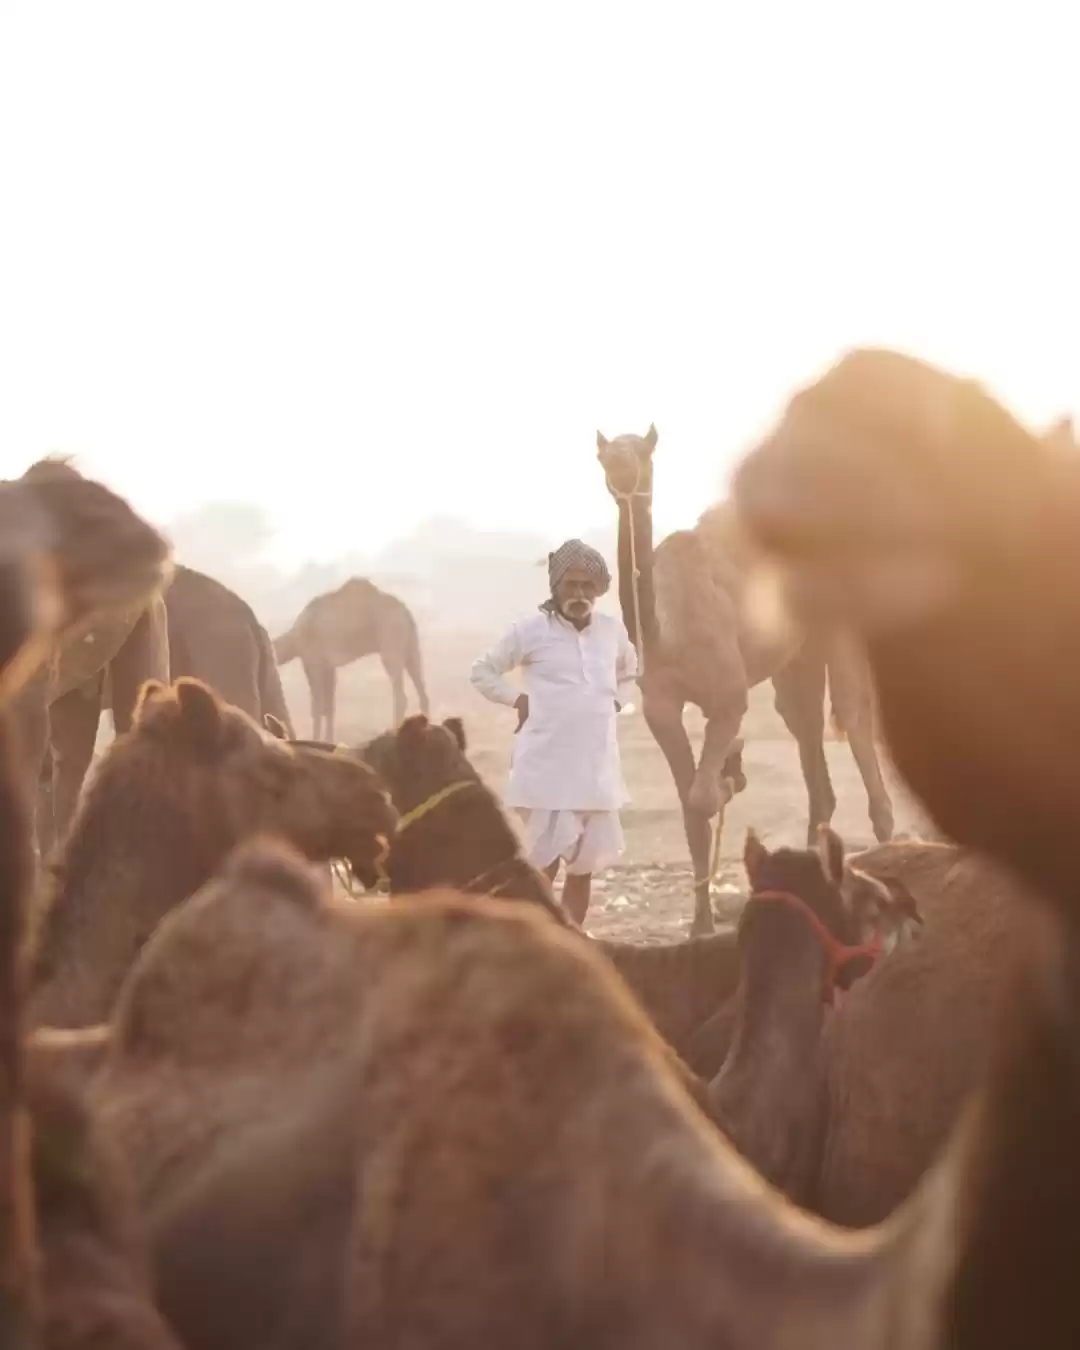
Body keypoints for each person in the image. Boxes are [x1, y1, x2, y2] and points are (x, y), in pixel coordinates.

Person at [469, 539, 639, 924]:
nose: (579, 594)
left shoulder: (611, 631)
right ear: (555, 587)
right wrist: (518, 701)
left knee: (582, 869)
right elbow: (482, 671)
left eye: (586, 586)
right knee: (541, 869)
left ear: (596, 590)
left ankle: (572, 942)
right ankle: (537, 946)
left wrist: (615, 701)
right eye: (570, 585)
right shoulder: (530, 631)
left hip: (596, 769)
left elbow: (630, 670)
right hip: (545, 770)